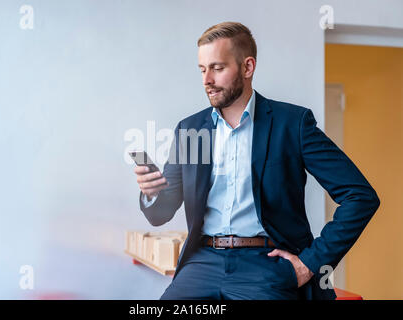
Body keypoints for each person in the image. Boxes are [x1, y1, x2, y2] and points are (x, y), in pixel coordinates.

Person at [133, 22, 380, 300]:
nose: (207, 80)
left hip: (265, 264)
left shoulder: (293, 124)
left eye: (217, 68)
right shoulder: (191, 130)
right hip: (203, 263)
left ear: (247, 67)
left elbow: (360, 196)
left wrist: (311, 263)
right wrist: (151, 193)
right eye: (203, 69)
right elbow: (161, 213)